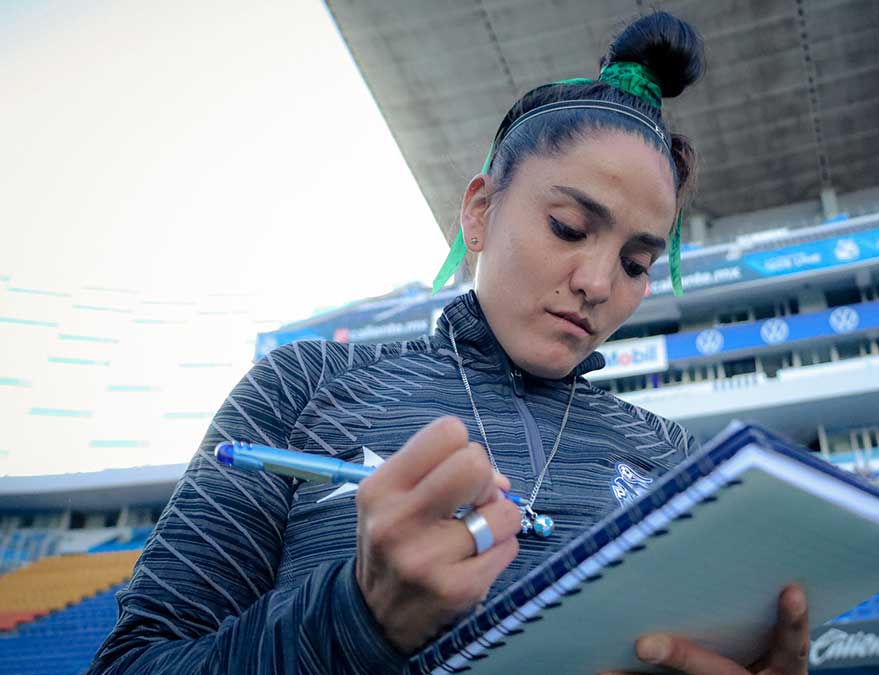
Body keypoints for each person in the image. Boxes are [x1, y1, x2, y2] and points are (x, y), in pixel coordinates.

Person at [88, 12, 810, 675]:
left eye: (636, 264)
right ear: (480, 211)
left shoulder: (674, 455)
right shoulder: (305, 384)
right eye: (567, 226)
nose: (597, 282)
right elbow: (133, 663)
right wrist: (355, 618)